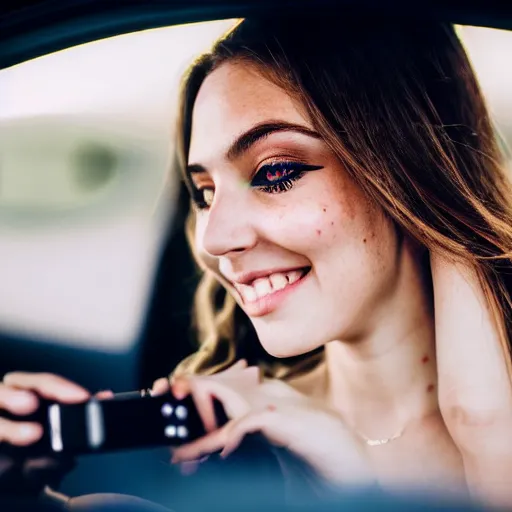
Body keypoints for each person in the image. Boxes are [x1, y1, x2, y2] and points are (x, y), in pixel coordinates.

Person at [1, 13, 512, 510]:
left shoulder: (493, 423)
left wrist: (483, 431)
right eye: (204, 193)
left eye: (274, 173)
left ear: (405, 171)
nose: (214, 239)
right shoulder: (221, 445)